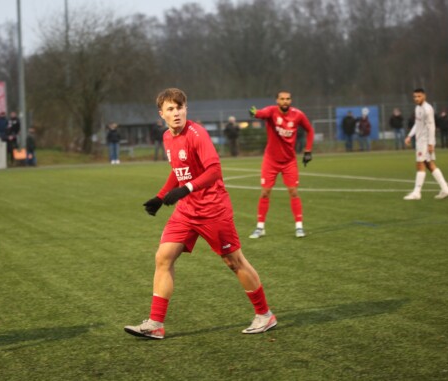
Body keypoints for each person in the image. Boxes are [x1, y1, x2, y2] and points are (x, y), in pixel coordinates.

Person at [124, 88, 276, 340]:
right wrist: (161, 197)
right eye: (170, 109)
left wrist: (185, 189)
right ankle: (155, 324)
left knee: (233, 261)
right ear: (161, 114)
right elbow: (178, 170)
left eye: (180, 107)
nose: (176, 113)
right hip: (186, 211)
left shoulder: (197, 134)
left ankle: (265, 314)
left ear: (186, 109)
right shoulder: (167, 137)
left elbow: (214, 170)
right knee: (163, 257)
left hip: (212, 208)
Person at [247, 90, 314, 239]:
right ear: (277, 100)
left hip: (289, 161)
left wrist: (308, 150)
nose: (285, 101)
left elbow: (309, 129)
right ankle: (260, 227)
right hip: (271, 161)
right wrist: (254, 113)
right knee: (265, 192)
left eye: (288, 99)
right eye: (282, 99)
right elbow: (261, 113)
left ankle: (299, 227)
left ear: (291, 101)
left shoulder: (298, 115)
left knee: (293, 192)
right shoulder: (271, 111)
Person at [403, 88, 448, 200]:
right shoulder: (417, 108)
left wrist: (430, 144)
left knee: (420, 165)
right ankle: (445, 188)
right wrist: (410, 135)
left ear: (424, 96)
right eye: (415, 96)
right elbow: (417, 124)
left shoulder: (427, 109)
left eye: (419, 96)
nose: (416, 99)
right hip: (421, 140)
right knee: (430, 165)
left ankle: (417, 192)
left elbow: (431, 127)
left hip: (425, 142)